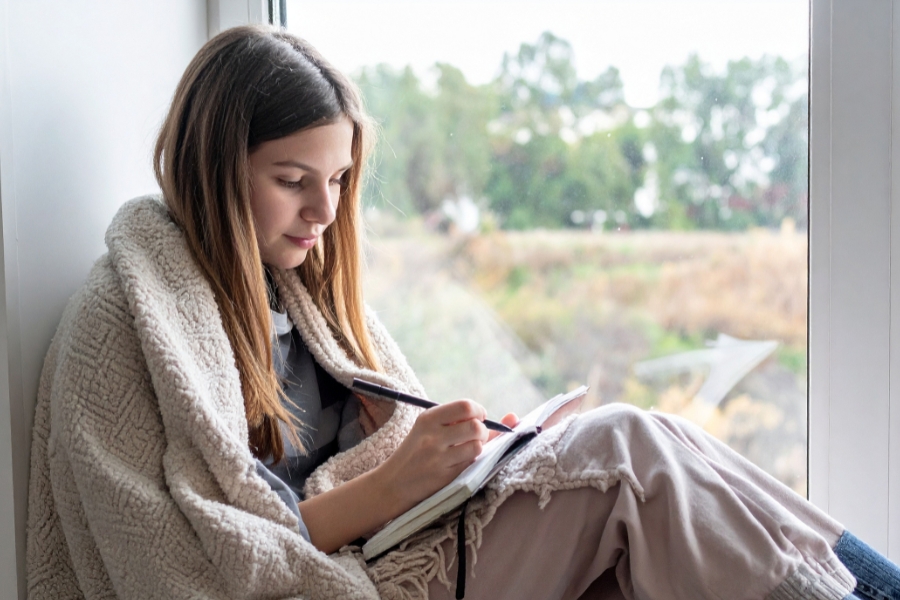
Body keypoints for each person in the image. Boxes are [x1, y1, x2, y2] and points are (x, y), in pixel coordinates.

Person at [24, 25, 900, 600]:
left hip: (404, 548)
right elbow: (173, 563)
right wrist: (389, 489)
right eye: (292, 182)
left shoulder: (297, 294)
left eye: (336, 182)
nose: (324, 214)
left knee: (661, 459)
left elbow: (377, 443)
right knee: (636, 454)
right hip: (362, 578)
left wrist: (464, 456)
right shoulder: (124, 323)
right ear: (216, 165)